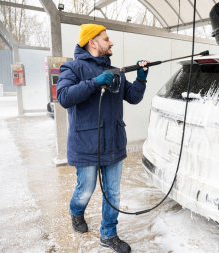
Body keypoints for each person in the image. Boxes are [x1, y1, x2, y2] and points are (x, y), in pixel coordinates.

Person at [57, 23, 149, 253]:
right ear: (93, 42)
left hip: (114, 142)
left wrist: (141, 79)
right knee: (85, 189)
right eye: (106, 39)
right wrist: (95, 82)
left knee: (113, 192)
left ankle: (108, 234)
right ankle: (76, 212)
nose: (111, 42)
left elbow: (133, 97)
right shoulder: (72, 68)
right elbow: (64, 97)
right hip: (85, 144)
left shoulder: (116, 71)